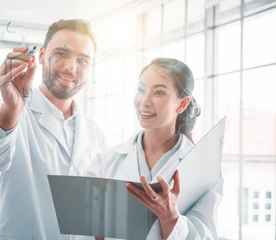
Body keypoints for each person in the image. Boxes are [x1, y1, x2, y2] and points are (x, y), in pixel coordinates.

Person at [0, 19, 106, 240]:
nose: (72, 67)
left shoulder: (94, 133)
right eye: (61, 54)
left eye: (83, 60)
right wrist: (10, 111)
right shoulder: (8, 109)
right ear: (41, 55)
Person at [87, 58, 223, 240]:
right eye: (141, 90)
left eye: (159, 92)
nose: (144, 101)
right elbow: (81, 231)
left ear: (182, 104)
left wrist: (171, 219)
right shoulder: (105, 162)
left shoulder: (204, 170)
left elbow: (206, 236)